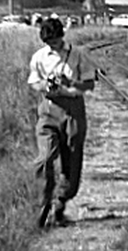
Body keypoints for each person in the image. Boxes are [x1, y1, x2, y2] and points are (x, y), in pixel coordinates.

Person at [28, 17, 98, 228]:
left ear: (62, 36)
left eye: (56, 41)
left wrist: (71, 83)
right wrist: (45, 86)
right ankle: (42, 207)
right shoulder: (39, 57)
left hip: (73, 110)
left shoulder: (78, 55)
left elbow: (89, 85)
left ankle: (61, 201)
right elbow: (34, 81)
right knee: (45, 158)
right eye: (49, 43)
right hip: (49, 109)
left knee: (72, 160)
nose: (53, 46)